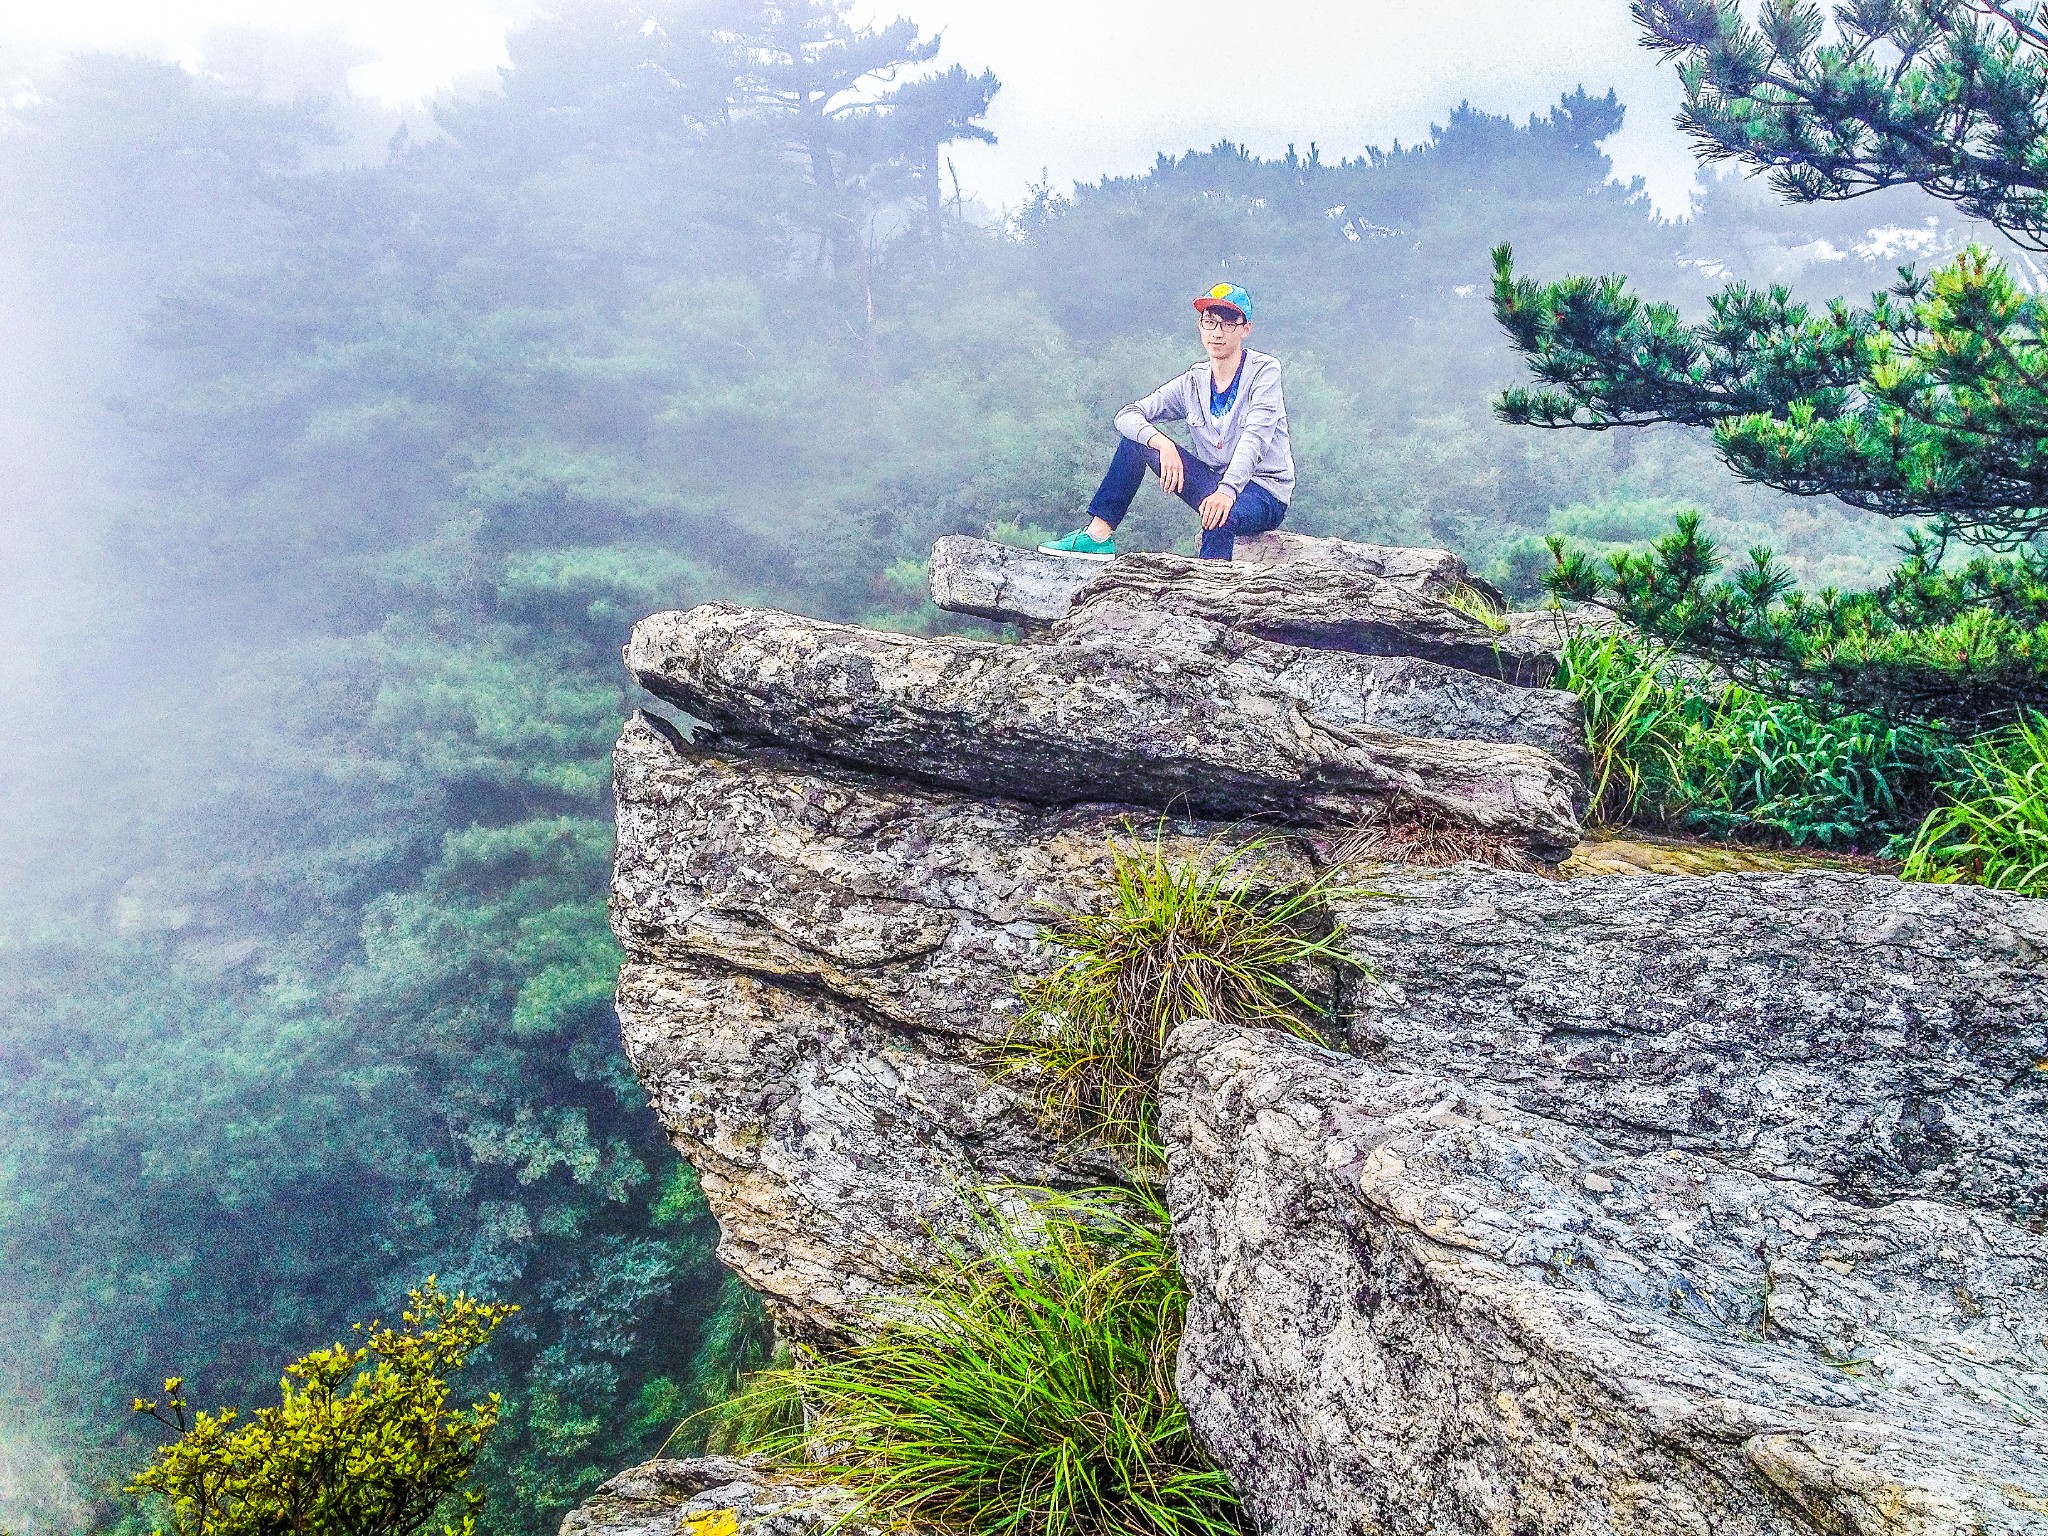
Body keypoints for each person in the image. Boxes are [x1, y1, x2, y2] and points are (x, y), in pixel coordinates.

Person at [1040, 282, 1293, 561]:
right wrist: (1161, 443)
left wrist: (1227, 491)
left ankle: (1211, 596)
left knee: (1220, 516)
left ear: (1246, 329)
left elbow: (1255, 438)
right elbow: (1127, 415)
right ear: (1200, 326)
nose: (1217, 333)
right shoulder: (1193, 381)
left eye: (1228, 324)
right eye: (1210, 322)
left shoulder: (1264, 372)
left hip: (1262, 491)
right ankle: (1097, 537)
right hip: (1215, 480)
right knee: (1136, 443)